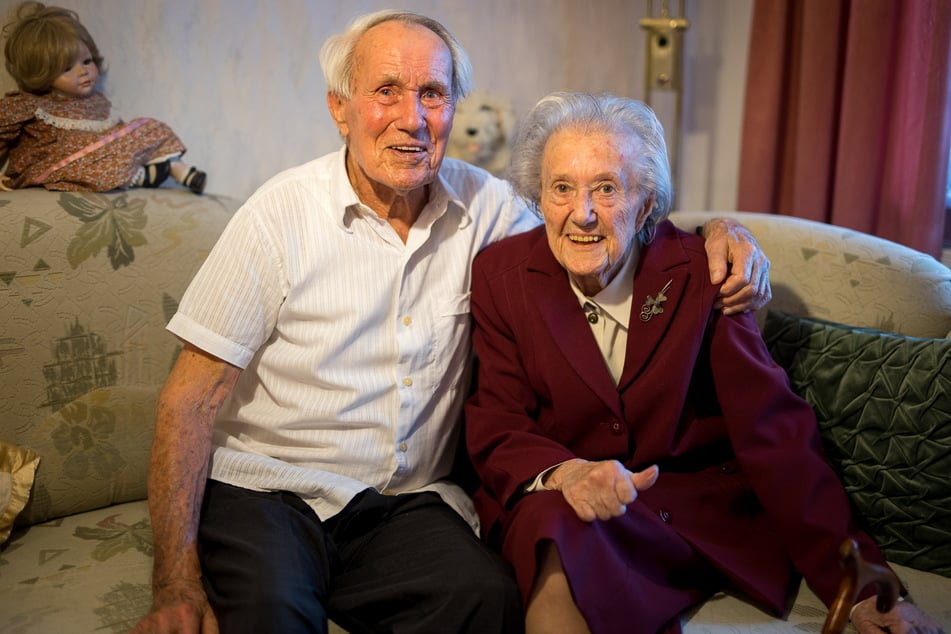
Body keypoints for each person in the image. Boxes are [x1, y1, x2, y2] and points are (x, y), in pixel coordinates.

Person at [132, 11, 772, 634]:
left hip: (405, 505)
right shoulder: (277, 215)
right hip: (271, 491)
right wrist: (175, 583)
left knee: (486, 601)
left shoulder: (491, 207)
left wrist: (721, 231)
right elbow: (188, 401)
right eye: (386, 91)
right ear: (340, 107)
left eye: (432, 94)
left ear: (453, 109)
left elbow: (600, 224)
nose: (411, 118)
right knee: (273, 614)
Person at [464, 91, 944, 634]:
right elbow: (498, 421)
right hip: (567, 503)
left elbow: (774, 432)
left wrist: (862, 585)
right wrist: (568, 473)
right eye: (562, 189)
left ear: (645, 203)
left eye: (606, 187)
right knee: (548, 521)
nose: (584, 213)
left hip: (685, 517)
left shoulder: (705, 272)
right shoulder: (501, 278)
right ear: (538, 198)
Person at [0, 2, 206, 193]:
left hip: (100, 159)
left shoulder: (96, 102)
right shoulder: (30, 105)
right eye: (68, 68)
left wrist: (132, 143)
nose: (83, 71)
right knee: (86, 164)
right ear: (42, 73)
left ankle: (177, 169)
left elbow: (114, 137)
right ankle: (140, 176)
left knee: (149, 127)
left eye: (87, 61)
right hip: (59, 167)